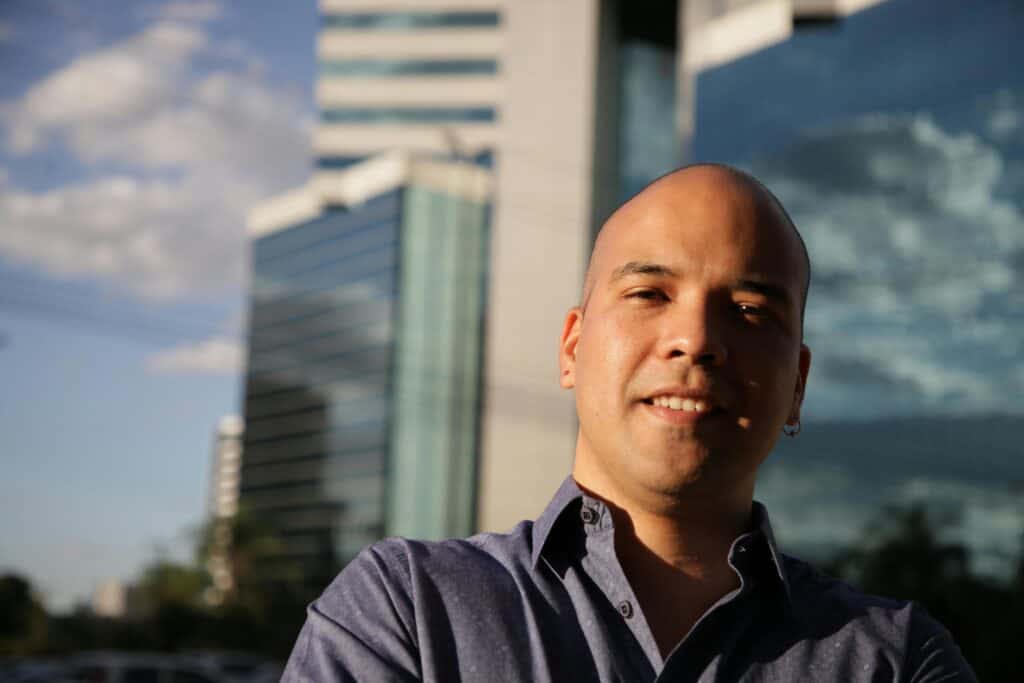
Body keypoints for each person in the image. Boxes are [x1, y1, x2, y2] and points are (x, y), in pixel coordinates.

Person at [281, 164, 976, 681]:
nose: (696, 338)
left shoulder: (896, 659)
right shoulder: (407, 613)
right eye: (649, 292)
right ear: (572, 348)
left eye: (750, 311)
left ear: (796, 385)